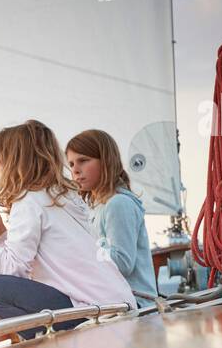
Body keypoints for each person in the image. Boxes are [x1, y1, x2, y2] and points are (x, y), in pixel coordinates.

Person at [0, 120, 134, 332]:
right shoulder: (64, 196)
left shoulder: (28, 201)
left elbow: (14, 270)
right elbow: (33, 259)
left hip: (95, 313)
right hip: (118, 303)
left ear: (11, 163)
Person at [64, 129, 157, 310]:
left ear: (105, 161)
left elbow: (122, 264)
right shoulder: (96, 208)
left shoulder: (118, 204)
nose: (75, 169)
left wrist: (81, 250)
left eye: (83, 160)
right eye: (71, 164)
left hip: (136, 304)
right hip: (113, 299)